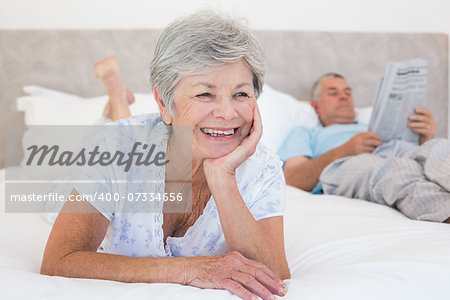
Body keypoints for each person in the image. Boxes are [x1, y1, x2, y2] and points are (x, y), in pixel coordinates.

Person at [41, 12, 290, 300]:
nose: (227, 113)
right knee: (53, 196)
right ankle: (115, 105)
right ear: (164, 102)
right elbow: (59, 260)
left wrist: (223, 178)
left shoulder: (264, 168)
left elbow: (275, 277)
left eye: (241, 94)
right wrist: (187, 270)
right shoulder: (115, 147)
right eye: (205, 95)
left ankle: (118, 103)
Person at [278, 73, 450, 223]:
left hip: (393, 149)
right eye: (333, 92)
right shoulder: (307, 133)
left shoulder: (371, 125)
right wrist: (344, 151)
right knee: (399, 170)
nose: (344, 96)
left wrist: (425, 139)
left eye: (348, 92)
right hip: (344, 164)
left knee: (439, 148)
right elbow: (292, 178)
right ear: (315, 106)